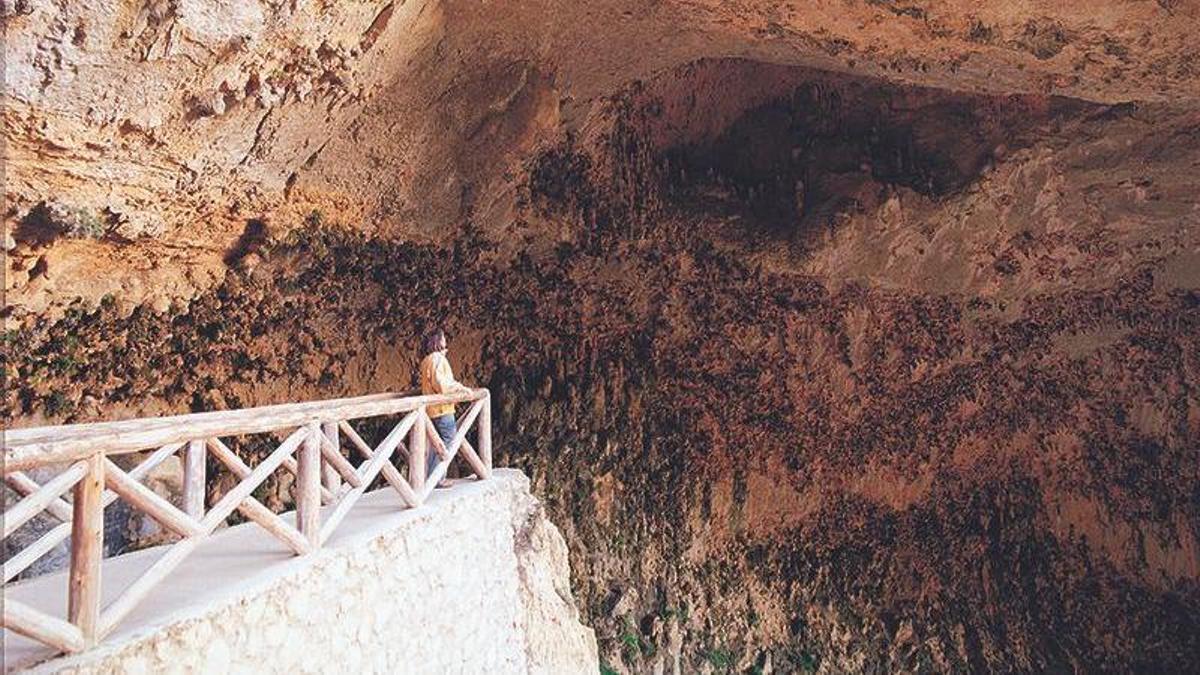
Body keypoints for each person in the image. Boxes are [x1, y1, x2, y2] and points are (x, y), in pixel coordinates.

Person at [419, 328, 471, 488]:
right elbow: (442, 384)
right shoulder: (438, 359)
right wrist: (461, 388)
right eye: (443, 339)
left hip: (431, 410)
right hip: (442, 409)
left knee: (437, 444)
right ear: (438, 342)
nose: (446, 342)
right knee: (449, 441)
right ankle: (436, 478)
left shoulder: (426, 360)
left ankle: (432, 478)